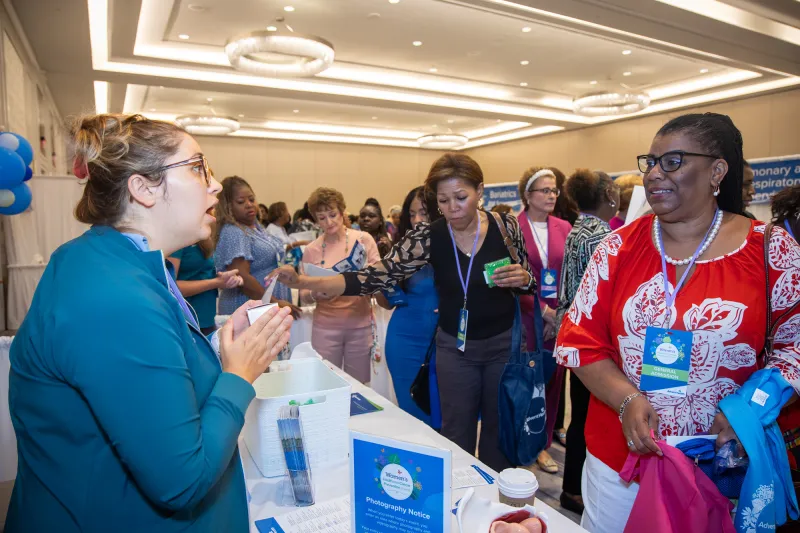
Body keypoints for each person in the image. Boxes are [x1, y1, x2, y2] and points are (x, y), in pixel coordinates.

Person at [4, 114, 294, 532]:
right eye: (197, 168)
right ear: (142, 188)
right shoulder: (114, 298)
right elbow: (182, 480)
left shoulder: (108, 261)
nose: (214, 185)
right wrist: (240, 374)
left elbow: (141, 374)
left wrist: (219, 346)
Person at [555, 112, 800, 532]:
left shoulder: (769, 250)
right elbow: (580, 342)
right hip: (623, 459)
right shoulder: (618, 247)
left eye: (672, 161)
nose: (654, 174)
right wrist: (626, 399)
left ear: (717, 171)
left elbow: (794, 346)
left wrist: (749, 411)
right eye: (649, 162)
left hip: (721, 461)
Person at [271, 153, 536, 472]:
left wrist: (525, 278)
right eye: (443, 201)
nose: (452, 208)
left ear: (480, 191)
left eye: (461, 197)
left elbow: (528, 278)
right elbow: (373, 275)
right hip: (456, 349)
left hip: (502, 347)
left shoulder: (505, 225)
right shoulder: (430, 236)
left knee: (500, 433)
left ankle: (497, 510)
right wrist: (303, 280)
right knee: (456, 434)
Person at [555, 168, 620, 516]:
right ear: (609, 193)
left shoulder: (579, 228)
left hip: (574, 333)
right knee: (585, 415)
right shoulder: (600, 234)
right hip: (592, 339)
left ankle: (572, 487)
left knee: (579, 413)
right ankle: (574, 489)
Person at [517, 166, 573, 475]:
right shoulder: (513, 226)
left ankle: (543, 443)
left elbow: (570, 273)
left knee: (553, 383)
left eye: (554, 190)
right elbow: (509, 275)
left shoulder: (564, 227)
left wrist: (559, 313)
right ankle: (523, 439)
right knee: (527, 381)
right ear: (527, 194)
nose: (552, 195)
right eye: (545, 190)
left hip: (558, 319)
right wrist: (541, 310)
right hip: (526, 315)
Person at [300, 187, 381, 383]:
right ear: (315, 220)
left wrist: (365, 279)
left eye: (333, 214)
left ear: (343, 211)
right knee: (326, 383)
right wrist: (315, 294)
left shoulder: (363, 240)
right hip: (326, 327)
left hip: (359, 324)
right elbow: (303, 294)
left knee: (359, 386)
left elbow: (379, 276)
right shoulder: (312, 250)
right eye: (321, 218)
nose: (329, 222)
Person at [377, 186, 443, 426]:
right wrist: (382, 280)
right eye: (412, 214)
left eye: (423, 213)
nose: (417, 220)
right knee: (413, 416)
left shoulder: (455, 247)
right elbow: (385, 303)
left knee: (447, 417)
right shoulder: (400, 252)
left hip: (446, 343)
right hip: (405, 341)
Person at [213, 176, 298, 317]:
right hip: (247, 307)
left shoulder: (256, 227)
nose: (249, 204)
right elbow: (242, 278)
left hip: (265, 306)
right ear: (228, 206)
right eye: (241, 202)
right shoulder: (234, 231)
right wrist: (274, 302)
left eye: (252, 199)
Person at [168, 237, 243, 335]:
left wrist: (226, 280)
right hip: (187, 320)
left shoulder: (203, 239)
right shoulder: (177, 241)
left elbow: (202, 274)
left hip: (206, 318)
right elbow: (170, 285)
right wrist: (216, 282)